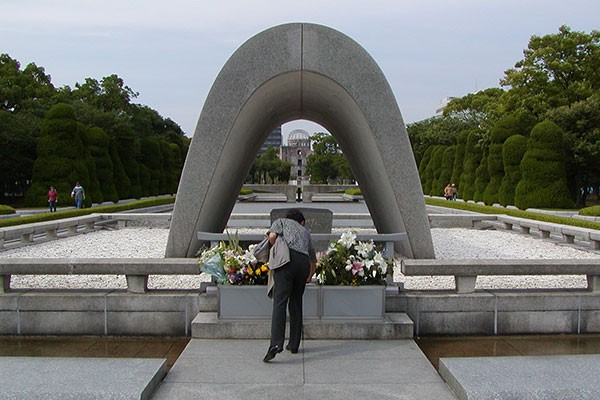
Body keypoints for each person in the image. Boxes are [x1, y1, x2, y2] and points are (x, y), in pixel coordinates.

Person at [263, 209, 317, 362]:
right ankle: (293, 344)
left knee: (280, 302)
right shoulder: (306, 232)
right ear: (302, 222)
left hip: (287, 260)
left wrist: (277, 251)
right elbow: (314, 261)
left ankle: (275, 344)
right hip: (303, 264)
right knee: (296, 303)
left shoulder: (280, 222)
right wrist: (309, 277)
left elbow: (272, 237)